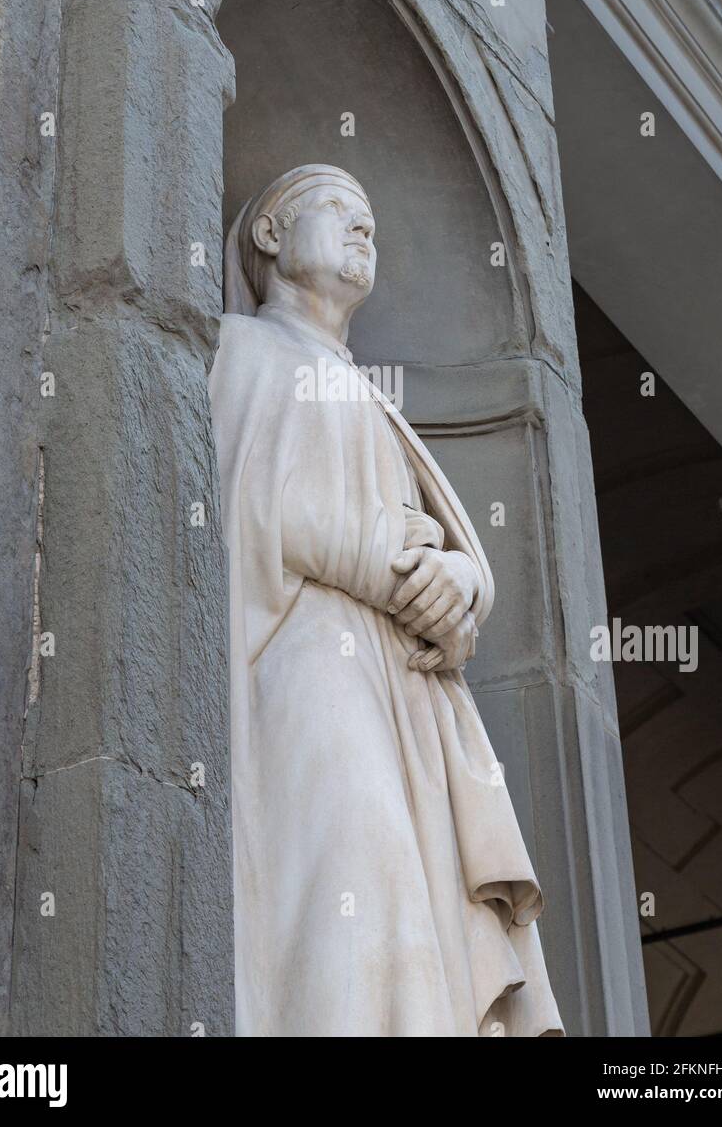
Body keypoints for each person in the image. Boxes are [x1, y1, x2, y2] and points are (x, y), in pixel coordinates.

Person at [209, 163, 563, 1037]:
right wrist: (397, 574)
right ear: (268, 235)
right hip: (309, 653)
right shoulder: (243, 349)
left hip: (409, 685)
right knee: (355, 874)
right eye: (340, 211)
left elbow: (440, 535)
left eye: (373, 221)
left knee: (418, 907)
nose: (365, 231)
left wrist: (466, 585)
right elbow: (240, 507)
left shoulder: (369, 392)